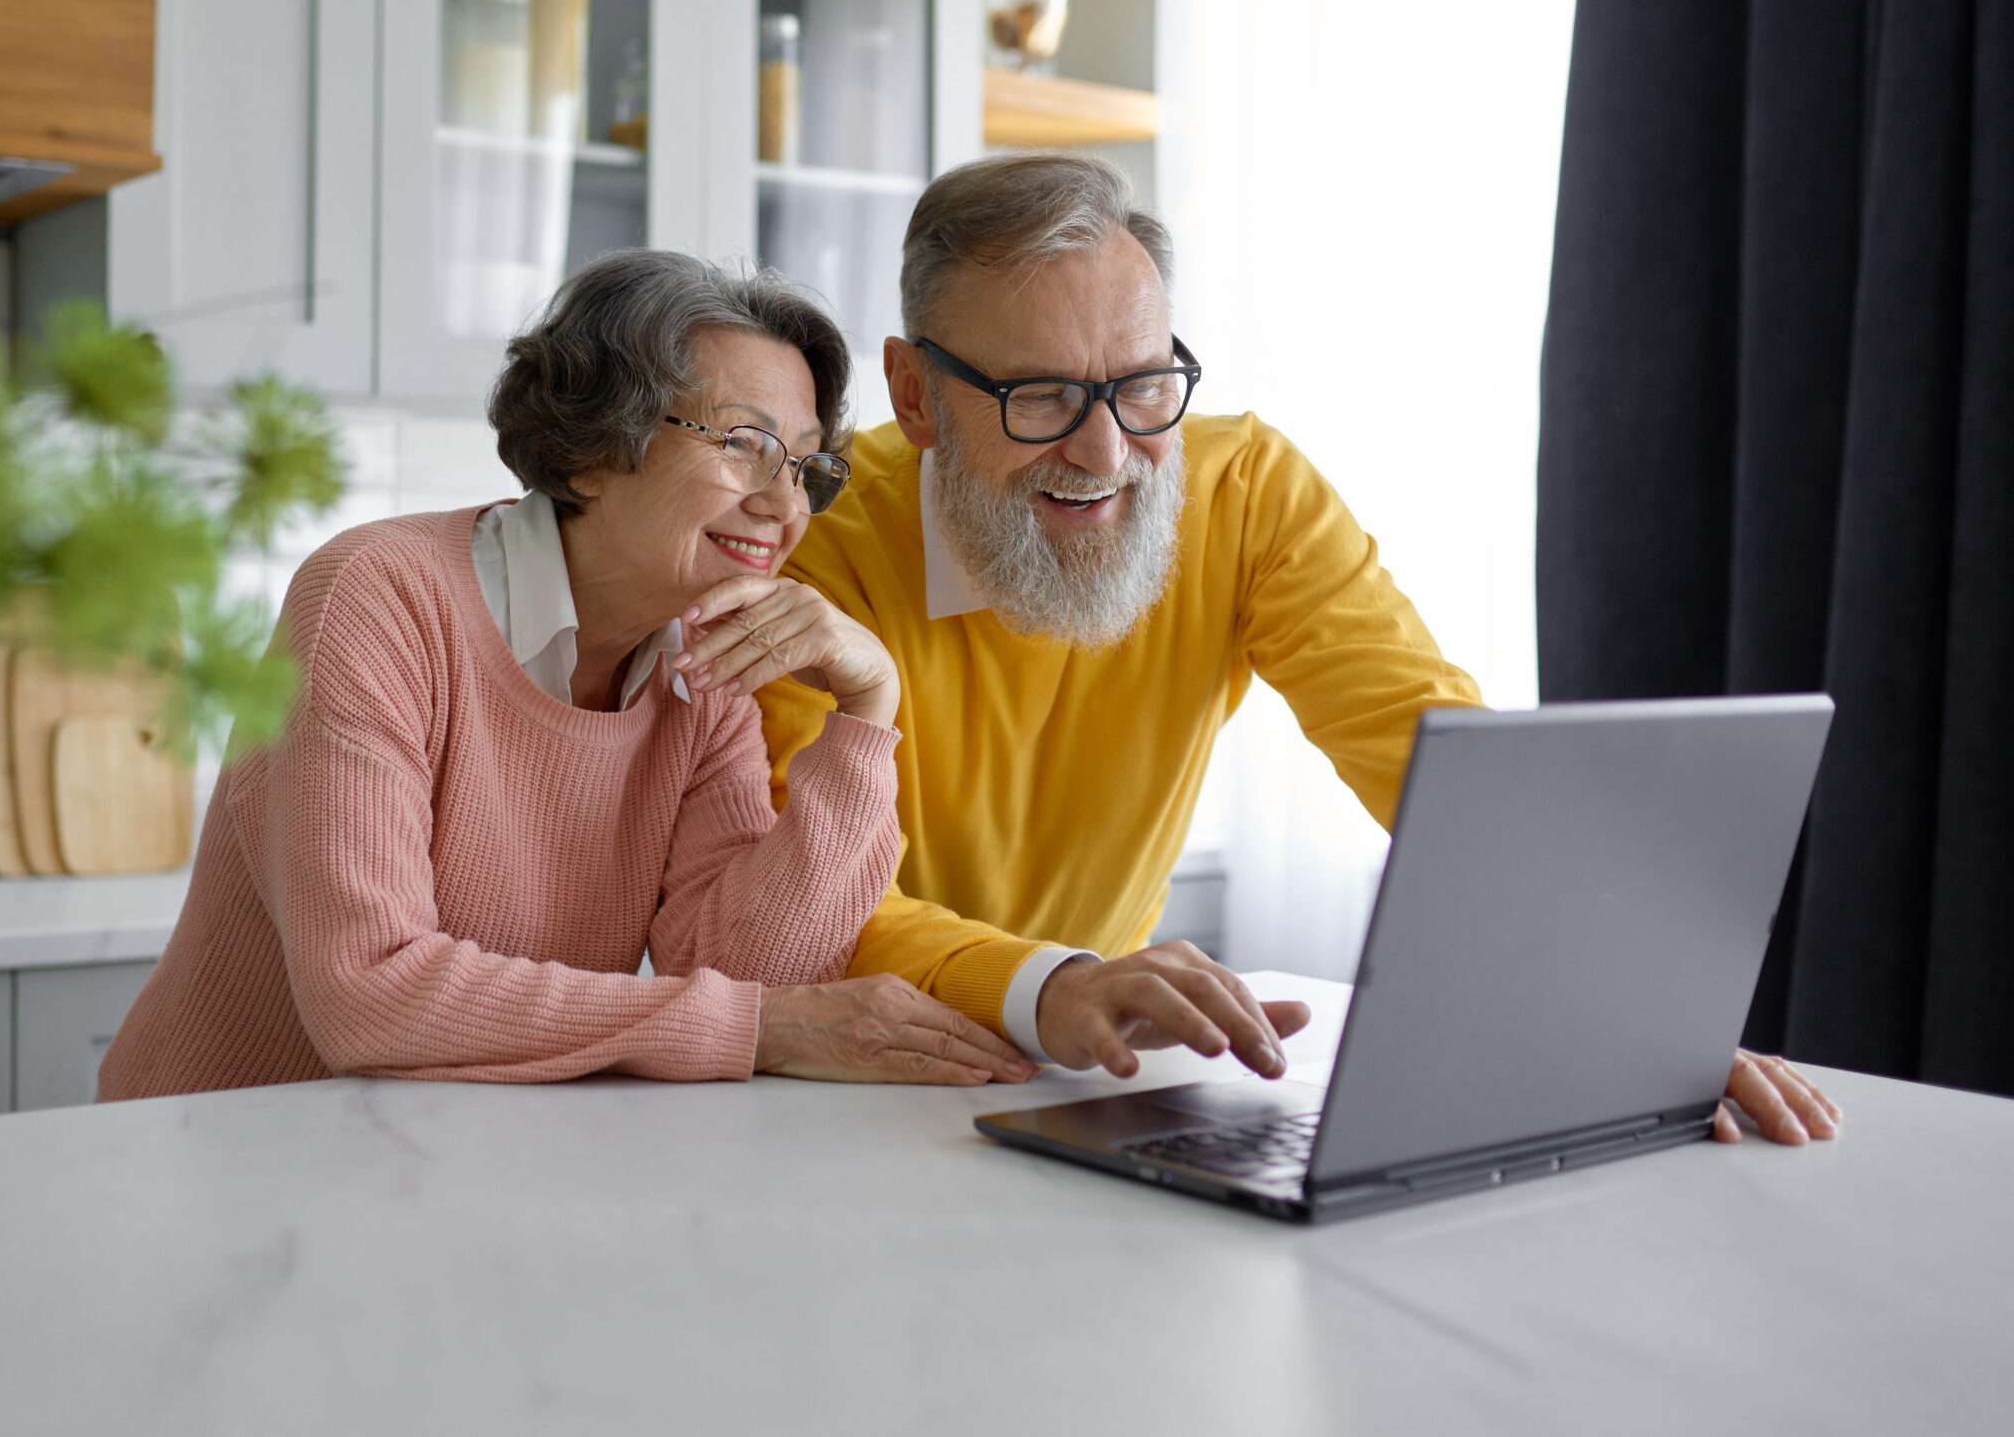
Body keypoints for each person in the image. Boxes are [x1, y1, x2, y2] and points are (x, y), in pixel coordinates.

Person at [719, 153, 1838, 1145]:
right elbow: (796, 894)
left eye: (1143, 384)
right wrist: (1051, 983)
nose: (1106, 451)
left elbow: (1437, 757)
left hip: (1092, 1084)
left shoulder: (1246, 491)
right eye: (1043, 397)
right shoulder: (804, 543)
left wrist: (1638, 1013)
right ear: (915, 394)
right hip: (831, 1089)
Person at [98, 250, 1034, 1098]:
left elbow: (755, 974)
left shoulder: (700, 668)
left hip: (443, 1164)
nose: (783, 504)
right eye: (744, 443)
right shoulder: (378, 600)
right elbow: (371, 993)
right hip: (219, 1157)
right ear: (592, 449)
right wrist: (753, 1027)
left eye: (804, 465)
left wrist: (870, 712)